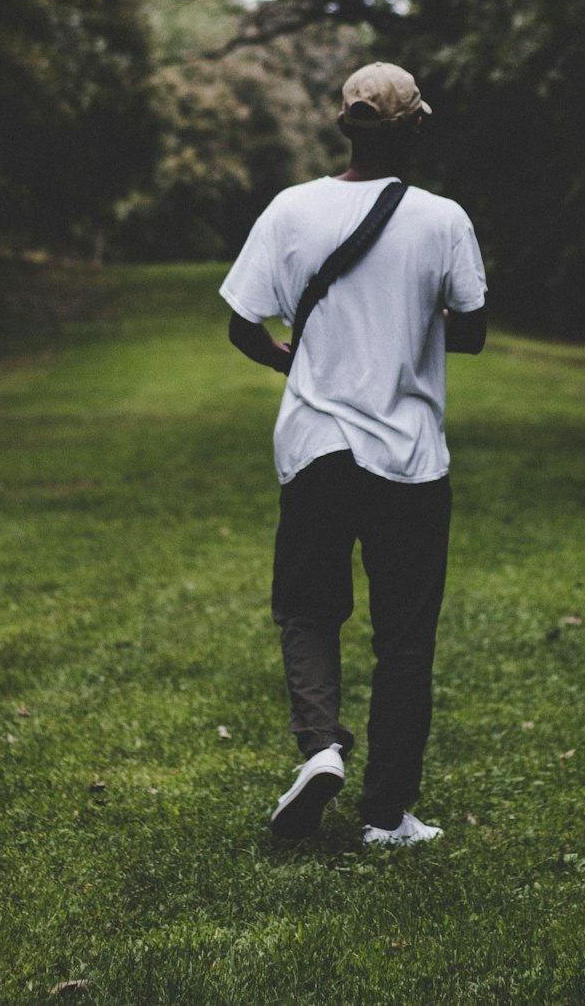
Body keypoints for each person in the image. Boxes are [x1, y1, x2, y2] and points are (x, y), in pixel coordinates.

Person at [220, 62, 487, 846]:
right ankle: (387, 815)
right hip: (408, 458)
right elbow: (470, 332)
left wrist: (292, 364)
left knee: (307, 609)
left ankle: (321, 748)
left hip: (314, 448)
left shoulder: (291, 210)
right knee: (403, 637)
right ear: (414, 129)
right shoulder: (443, 220)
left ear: (344, 125)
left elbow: (242, 324)